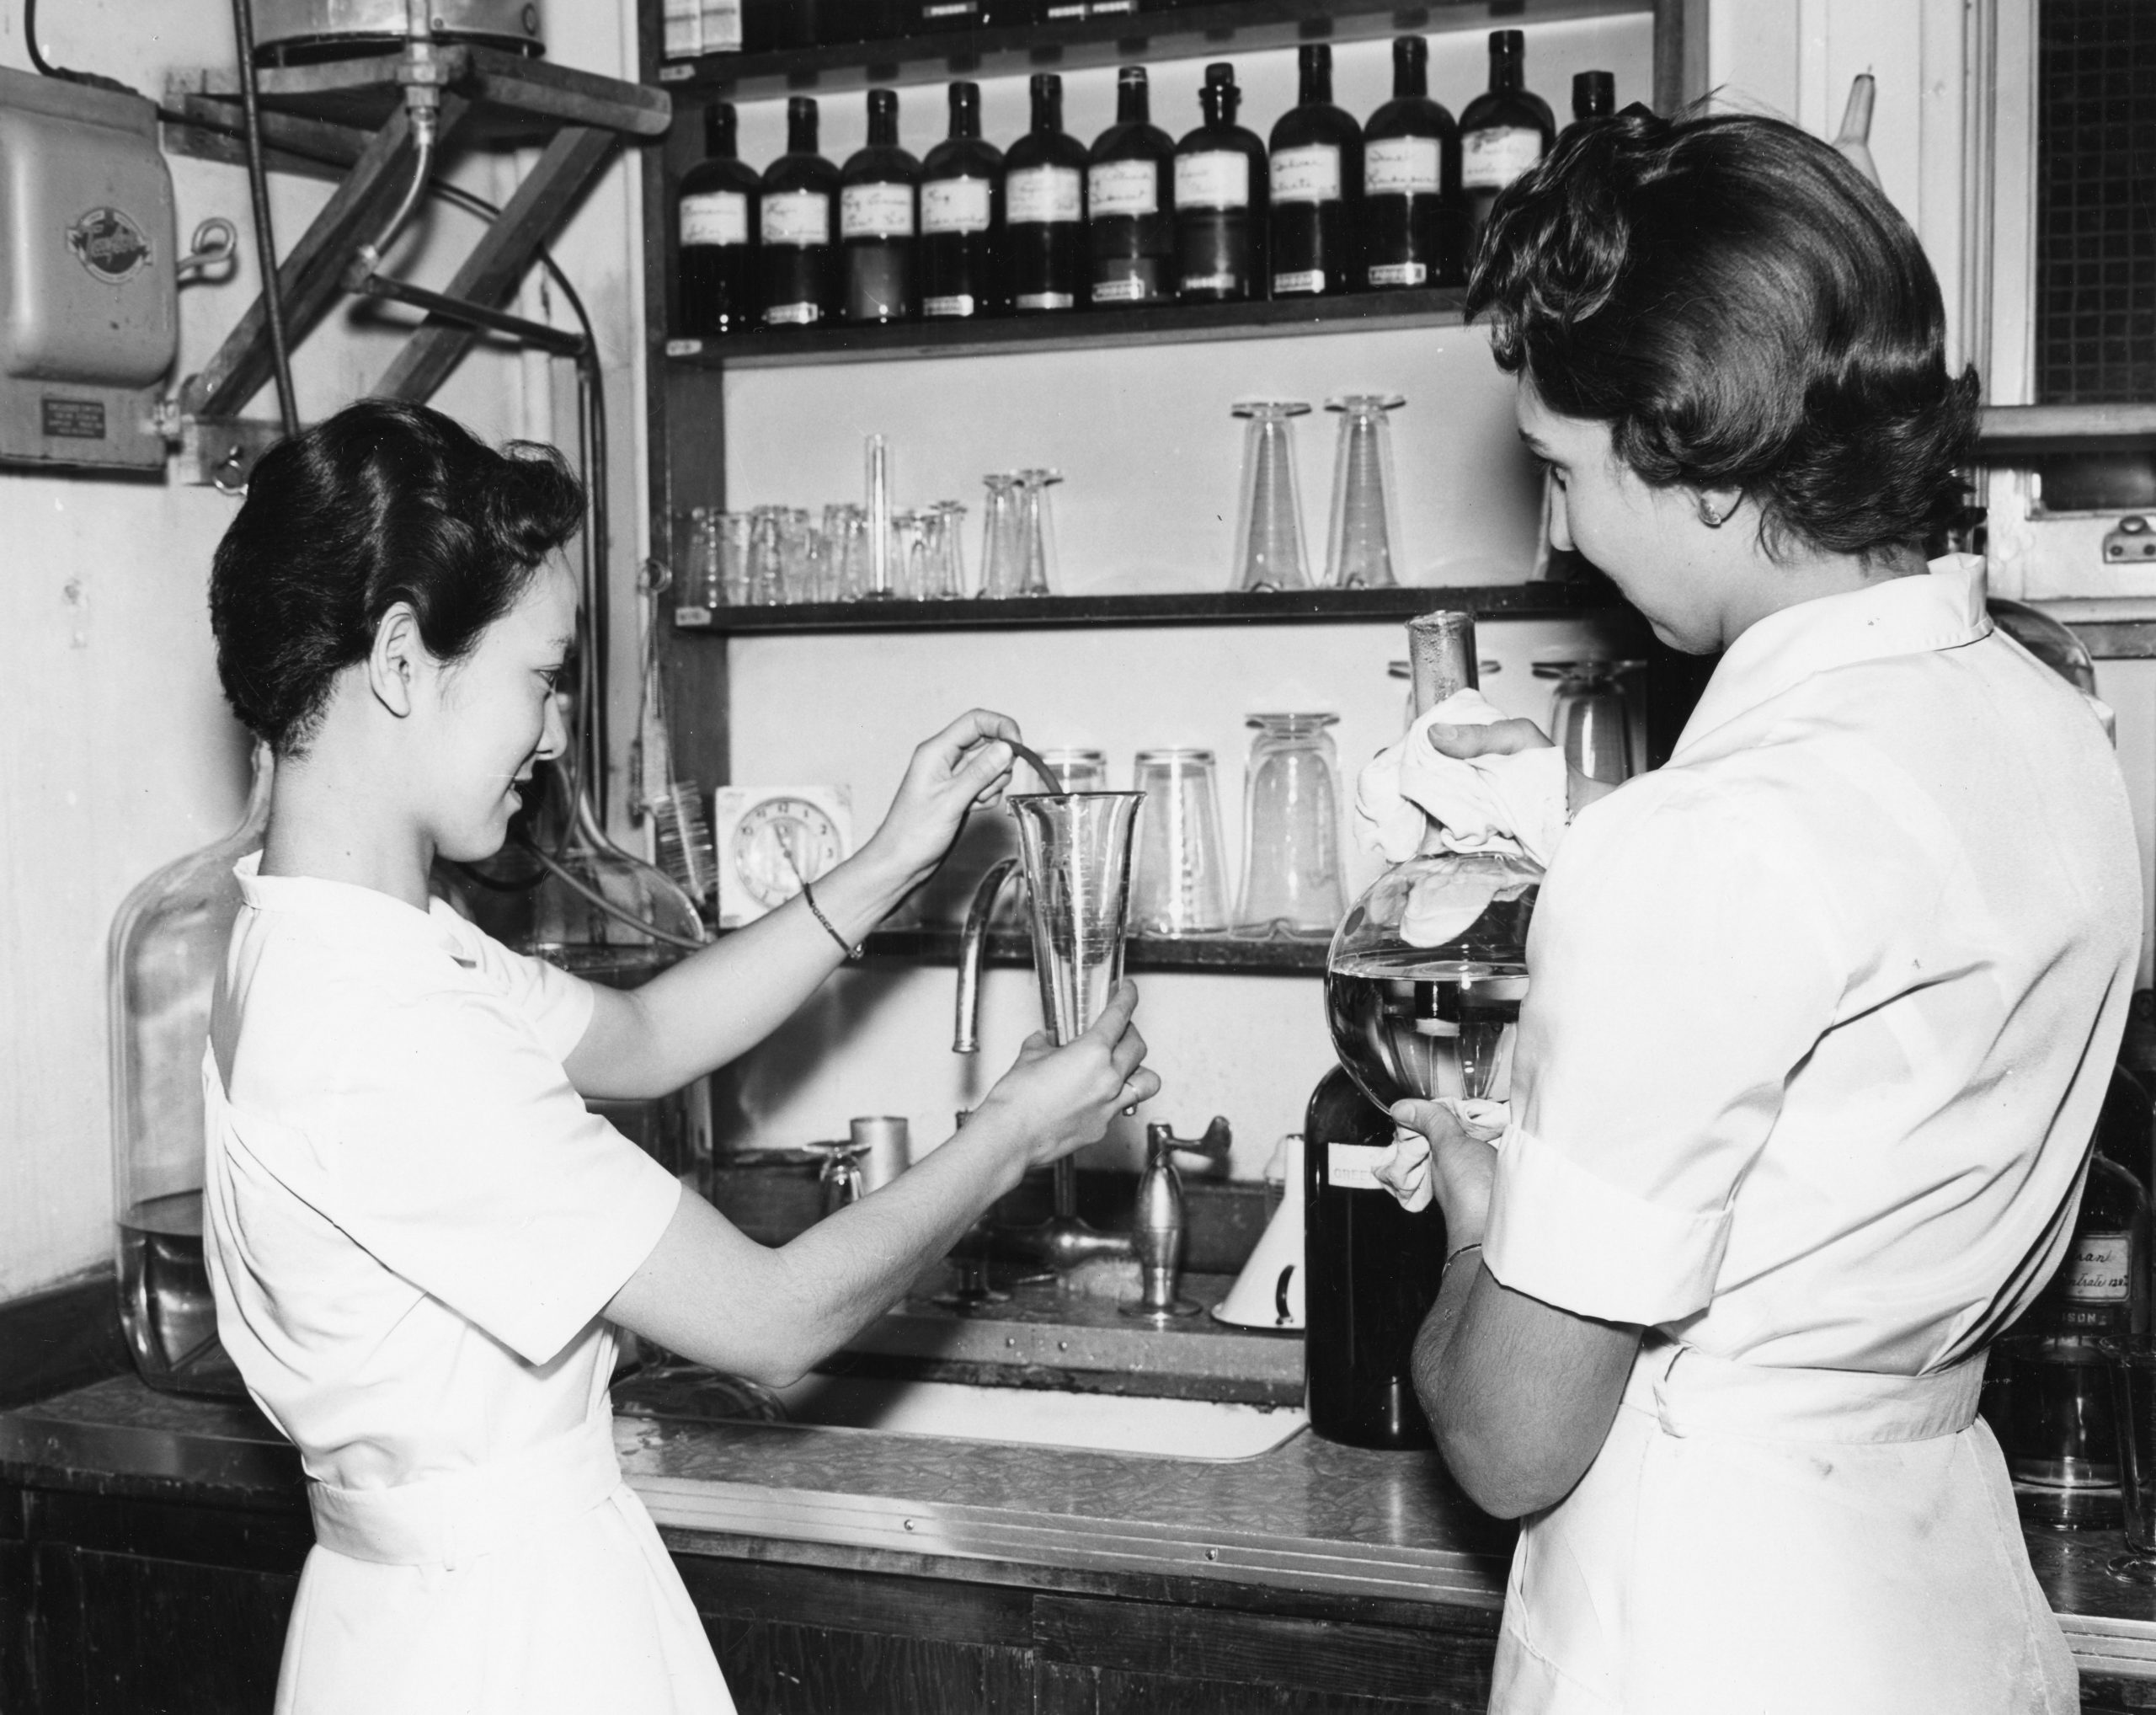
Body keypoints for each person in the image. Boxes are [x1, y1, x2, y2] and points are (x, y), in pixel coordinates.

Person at [200, 398, 1160, 1715]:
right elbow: (771, 1325)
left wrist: (887, 861)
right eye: (541, 679)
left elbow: (647, 1041)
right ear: (404, 661)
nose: (552, 739)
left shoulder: (338, 942)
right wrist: (1010, 1135)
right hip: (504, 1646)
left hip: (429, 1616)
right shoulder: (383, 1028)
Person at [1386, 111, 2141, 1713]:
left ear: (1697, 457)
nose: (1566, 530)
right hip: (1938, 1595)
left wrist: (1478, 1213)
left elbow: (1513, 1440)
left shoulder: (1706, 840)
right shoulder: (2048, 725)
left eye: (1568, 472)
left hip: (1706, 1630)